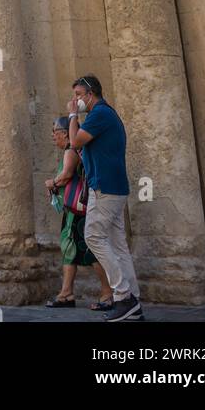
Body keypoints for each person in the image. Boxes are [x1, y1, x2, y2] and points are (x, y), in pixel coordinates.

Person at [68, 74, 142, 323]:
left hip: (106, 188)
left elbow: (74, 141)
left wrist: (72, 116)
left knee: (93, 236)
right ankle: (133, 301)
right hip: (113, 187)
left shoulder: (99, 114)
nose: (76, 100)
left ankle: (123, 296)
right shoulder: (104, 114)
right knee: (118, 245)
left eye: (78, 95)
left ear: (90, 94)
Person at [44, 115, 113, 311]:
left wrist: (52, 183)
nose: (53, 136)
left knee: (90, 251)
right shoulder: (77, 149)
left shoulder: (71, 151)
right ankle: (66, 294)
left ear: (65, 133)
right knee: (69, 251)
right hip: (76, 210)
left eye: (54, 132)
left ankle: (108, 293)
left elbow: (66, 175)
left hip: (78, 212)